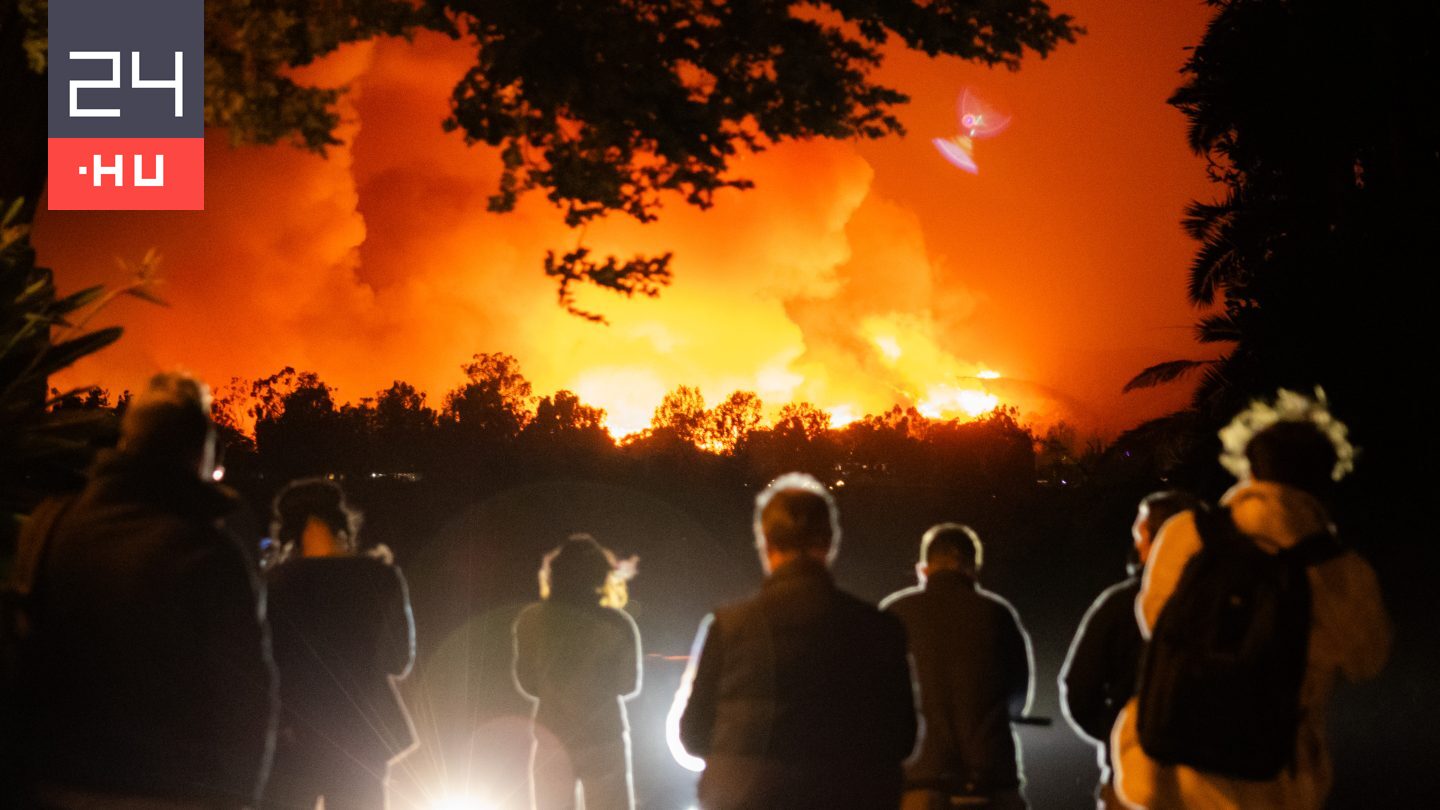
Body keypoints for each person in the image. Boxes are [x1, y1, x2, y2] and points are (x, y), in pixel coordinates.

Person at [1112, 388, 1392, 809]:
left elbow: (1154, 621)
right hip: (1271, 785)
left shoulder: (1188, 535)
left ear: (1248, 468)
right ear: (1327, 477)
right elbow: (1367, 662)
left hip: (1164, 777)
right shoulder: (1341, 572)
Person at [17, 372, 277, 808]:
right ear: (200, 453)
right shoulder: (208, 552)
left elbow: (20, 657)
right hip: (174, 790)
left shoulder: (48, 526)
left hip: (57, 786)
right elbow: (246, 696)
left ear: (126, 442)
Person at [674, 473, 917, 810]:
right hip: (849, 796)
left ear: (766, 543)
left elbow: (693, 735)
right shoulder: (880, 628)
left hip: (745, 797)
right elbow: (903, 738)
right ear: (829, 543)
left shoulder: (729, 626)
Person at [262, 478, 417, 810]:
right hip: (360, 733)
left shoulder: (273, 585)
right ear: (341, 523)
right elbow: (399, 659)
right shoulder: (379, 578)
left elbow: (260, 666)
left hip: (292, 736)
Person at [1059, 492, 1199, 809]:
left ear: (1152, 539)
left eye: (1139, 533)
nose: (1136, 544)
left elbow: (1078, 690)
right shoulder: (1224, 602)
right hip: (1211, 784)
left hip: (1134, 783)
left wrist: (1117, 735)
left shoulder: (1120, 605)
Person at [880, 523, 1035, 810]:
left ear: (922, 570)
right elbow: (1018, 700)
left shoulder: (894, 615)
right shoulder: (997, 615)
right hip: (991, 782)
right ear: (974, 569)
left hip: (918, 783)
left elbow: (876, 703)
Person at [512, 534, 642, 810]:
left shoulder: (531, 620)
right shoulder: (618, 625)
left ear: (555, 574)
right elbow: (628, 684)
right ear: (600, 576)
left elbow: (526, 682)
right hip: (603, 737)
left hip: (552, 737)